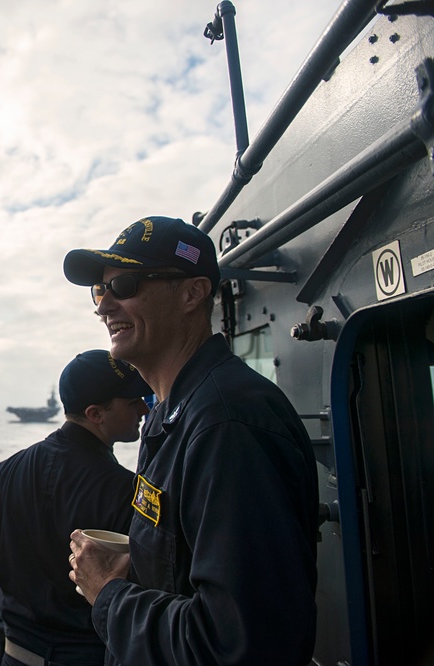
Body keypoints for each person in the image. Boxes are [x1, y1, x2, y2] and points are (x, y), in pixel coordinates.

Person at [62, 216, 319, 666]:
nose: (104, 307)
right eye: (100, 292)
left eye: (124, 284)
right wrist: (136, 567)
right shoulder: (171, 412)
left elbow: (239, 645)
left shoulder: (227, 424)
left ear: (192, 293)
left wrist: (108, 593)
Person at [0, 350, 153, 666]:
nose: (144, 409)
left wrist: (27, 579)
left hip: (16, 654)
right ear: (95, 414)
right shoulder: (125, 489)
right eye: (132, 402)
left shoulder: (10, 468)